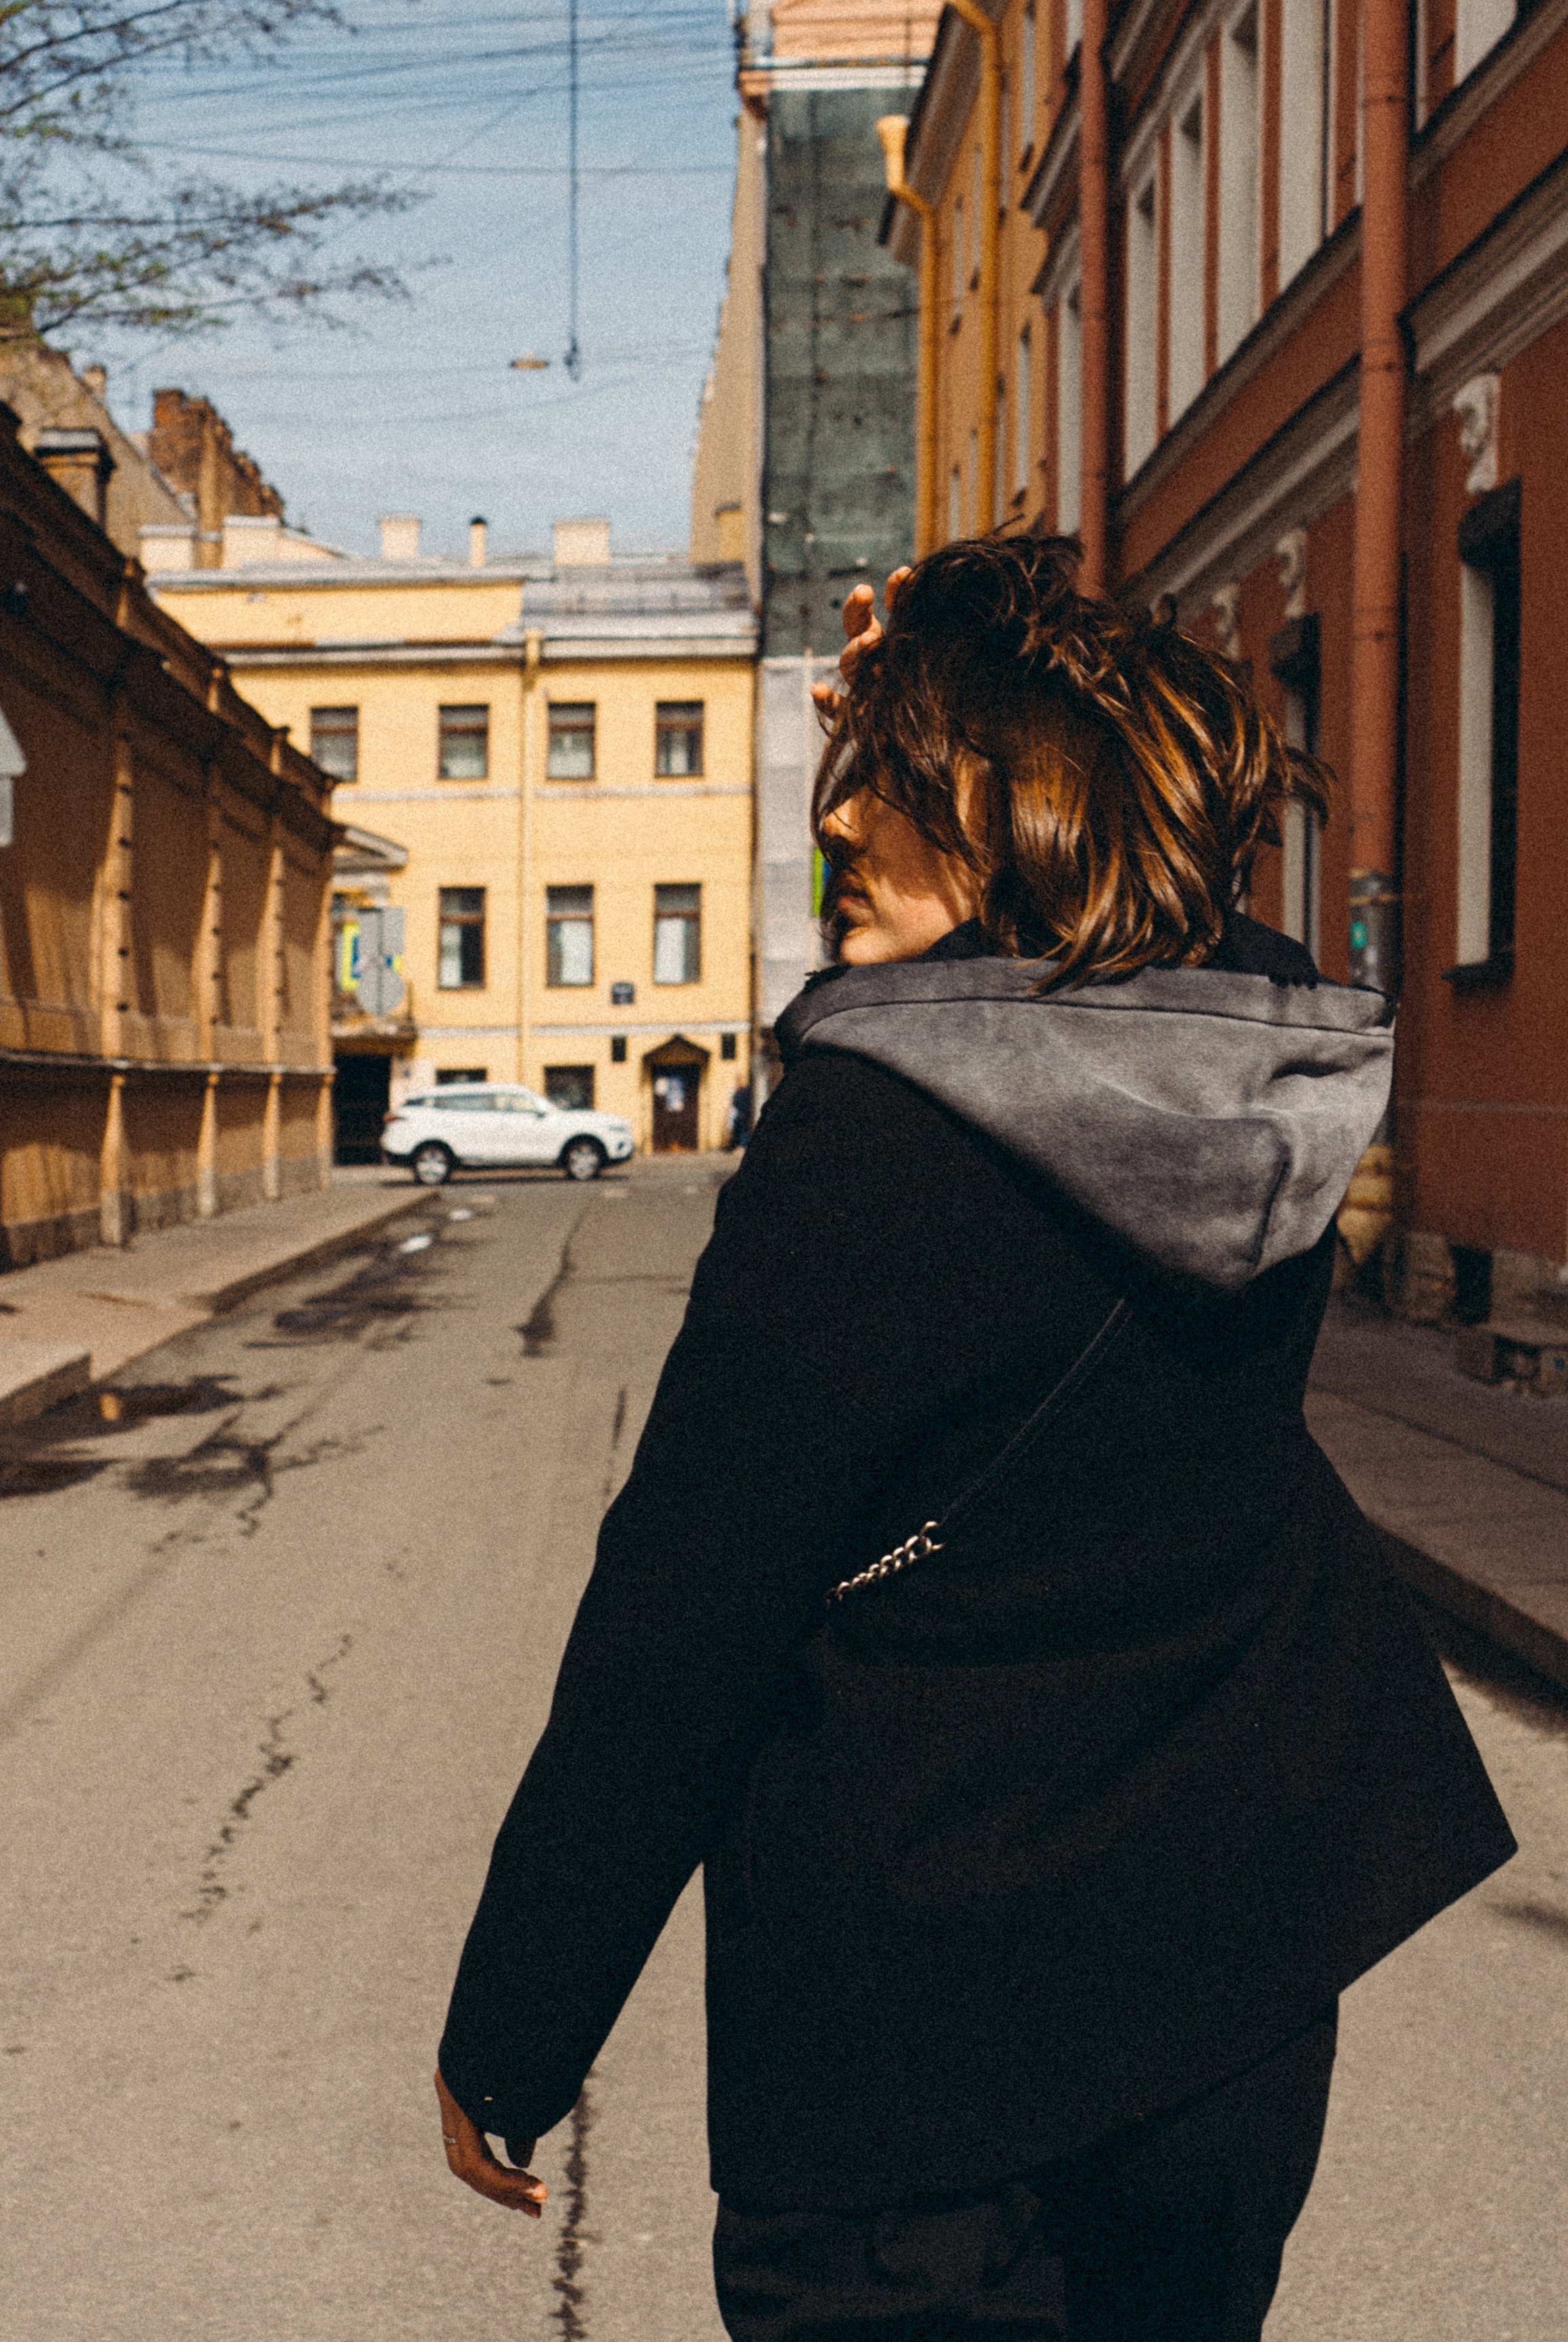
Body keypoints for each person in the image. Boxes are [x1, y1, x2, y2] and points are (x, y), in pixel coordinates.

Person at [434, 535, 1515, 2340]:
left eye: (892, 784)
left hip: (924, 2052)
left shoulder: (875, 1137)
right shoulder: (1263, 1073)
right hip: (1232, 2001)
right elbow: (1141, 946)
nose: (839, 823)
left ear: (1017, 813)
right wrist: (958, 689)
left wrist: (516, 2022)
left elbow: (685, 1618)